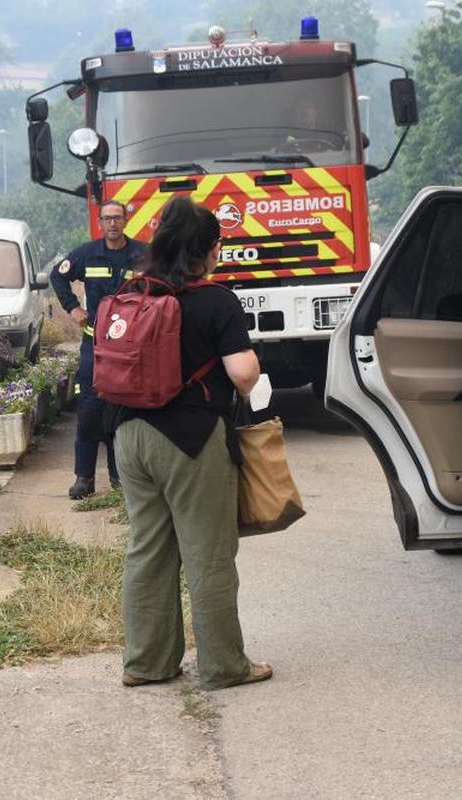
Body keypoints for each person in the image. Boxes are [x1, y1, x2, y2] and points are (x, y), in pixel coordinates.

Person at [109, 197, 272, 690]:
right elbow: (243, 376)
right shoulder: (214, 299)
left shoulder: (132, 290)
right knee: (208, 553)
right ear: (207, 249)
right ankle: (224, 665)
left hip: (128, 435)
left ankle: (146, 662)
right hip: (191, 438)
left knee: (148, 549)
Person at [51, 199, 145, 499]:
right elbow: (58, 275)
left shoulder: (142, 255)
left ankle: (121, 478)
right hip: (96, 345)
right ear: (101, 222)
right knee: (89, 410)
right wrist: (73, 308)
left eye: (117, 218)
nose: (113, 224)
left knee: (123, 412)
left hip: (131, 348)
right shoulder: (87, 255)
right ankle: (84, 478)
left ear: (126, 221)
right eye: (107, 219)